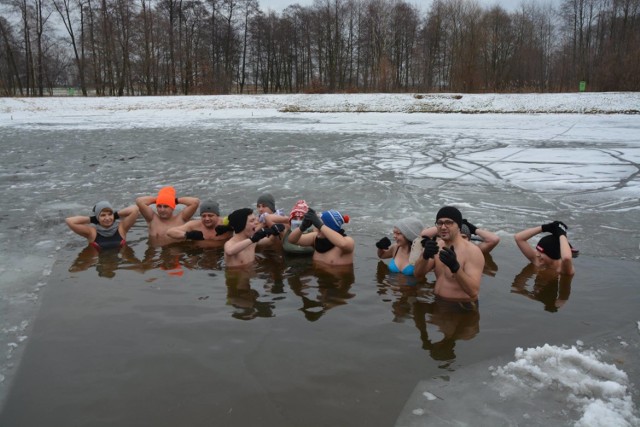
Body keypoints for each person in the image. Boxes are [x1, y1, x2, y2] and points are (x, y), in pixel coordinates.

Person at [414, 206, 485, 309]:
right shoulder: (438, 245)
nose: (443, 227)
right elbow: (418, 274)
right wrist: (424, 256)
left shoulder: (472, 252)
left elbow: (473, 292)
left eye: (449, 222)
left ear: (459, 226)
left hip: (461, 307)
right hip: (438, 303)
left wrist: (455, 268)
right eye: (439, 223)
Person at [287, 208, 354, 266]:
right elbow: (291, 240)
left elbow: (343, 244)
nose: (316, 228)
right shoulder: (315, 237)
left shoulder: (348, 241)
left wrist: (320, 225)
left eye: (319, 225)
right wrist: (302, 227)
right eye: (317, 225)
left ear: (331, 228)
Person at [136, 186, 200, 243]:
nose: (162, 210)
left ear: (172, 208)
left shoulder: (181, 218)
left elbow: (195, 202)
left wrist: (174, 200)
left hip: (176, 252)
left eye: (166, 206)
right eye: (159, 206)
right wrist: (160, 199)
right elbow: (139, 201)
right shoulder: (152, 218)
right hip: (157, 254)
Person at [65, 201, 139, 250]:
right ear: (97, 217)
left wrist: (115, 215)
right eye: (103, 215)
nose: (107, 218)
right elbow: (70, 221)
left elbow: (134, 210)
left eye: (110, 214)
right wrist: (92, 219)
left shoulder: (121, 228)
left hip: (117, 262)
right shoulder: (92, 232)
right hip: (100, 262)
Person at [420, 218, 500, 254]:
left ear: (469, 239)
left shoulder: (474, 251)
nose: (460, 239)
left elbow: (494, 239)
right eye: (458, 236)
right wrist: (443, 225)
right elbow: (423, 235)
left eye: (464, 237)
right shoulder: (441, 248)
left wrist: (474, 229)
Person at [166, 199, 232, 243]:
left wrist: (229, 227)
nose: (207, 219)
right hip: (199, 251)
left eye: (210, 215)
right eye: (203, 216)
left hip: (221, 251)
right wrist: (188, 235)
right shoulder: (194, 225)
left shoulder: (225, 222)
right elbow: (170, 232)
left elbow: (242, 224)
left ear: (217, 216)